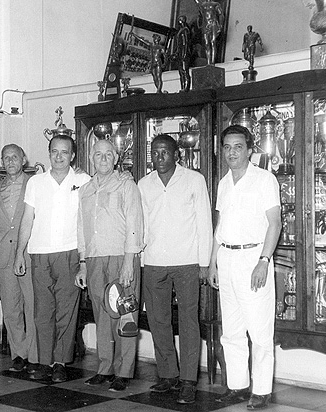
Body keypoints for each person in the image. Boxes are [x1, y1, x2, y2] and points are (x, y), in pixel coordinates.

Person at [209, 125, 281, 410]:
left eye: (238, 146)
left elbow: (274, 224)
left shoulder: (265, 180)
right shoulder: (223, 183)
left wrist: (263, 261)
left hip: (254, 259)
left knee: (260, 331)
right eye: (227, 147)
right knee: (232, 329)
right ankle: (237, 385)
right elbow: (220, 226)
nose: (232, 152)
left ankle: (262, 390)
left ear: (250, 149)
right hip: (226, 258)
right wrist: (213, 261)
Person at [138, 134, 212, 404]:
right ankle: (168, 374)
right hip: (154, 261)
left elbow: (204, 222)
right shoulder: (143, 184)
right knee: (158, 320)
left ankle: (188, 380)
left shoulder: (194, 180)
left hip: (187, 262)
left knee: (189, 321)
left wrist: (204, 262)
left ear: (176, 155)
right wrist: (141, 261)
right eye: (155, 153)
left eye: (165, 152)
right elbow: (141, 225)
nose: (159, 158)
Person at [14, 134, 90, 383]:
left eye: (64, 152)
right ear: (49, 154)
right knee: (42, 312)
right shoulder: (36, 183)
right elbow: (27, 220)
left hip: (70, 253)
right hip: (39, 254)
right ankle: (45, 361)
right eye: (54, 152)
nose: (59, 157)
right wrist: (19, 254)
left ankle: (60, 362)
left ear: (73, 155)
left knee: (66, 312)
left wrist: (84, 259)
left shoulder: (83, 181)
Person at [75, 139, 143, 392]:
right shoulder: (85, 189)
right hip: (93, 259)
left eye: (108, 155)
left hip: (121, 257)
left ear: (115, 158)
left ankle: (124, 371)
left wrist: (129, 261)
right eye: (98, 154)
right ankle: (105, 368)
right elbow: (81, 229)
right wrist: (82, 263)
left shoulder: (127, 185)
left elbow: (135, 224)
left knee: (125, 314)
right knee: (102, 316)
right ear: (91, 158)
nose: (102, 159)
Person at [0, 144, 37, 373]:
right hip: (4, 256)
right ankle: (19, 354)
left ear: (24, 159)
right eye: (6, 158)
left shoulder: (35, 183)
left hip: (28, 254)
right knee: (11, 308)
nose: (10, 162)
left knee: (33, 305)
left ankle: (35, 353)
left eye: (14, 157)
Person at [194, 0, 224, 65]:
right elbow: (200, 12)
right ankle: (208, 62)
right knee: (206, 44)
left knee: (213, 42)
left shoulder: (215, 4)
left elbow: (221, 15)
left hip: (213, 23)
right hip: (205, 24)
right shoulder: (202, 5)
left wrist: (220, 26)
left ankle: (212, 61)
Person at [174, 15, 192, 92]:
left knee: (185, 71)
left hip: (184, 53)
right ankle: (182, 86)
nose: (179, 21)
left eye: (180, 19)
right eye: (179, 19)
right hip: (180, 53)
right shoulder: (180, 30)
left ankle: (186, 87)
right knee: (181, 72)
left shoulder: (185, 30)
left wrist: (184, 54)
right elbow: (178, 44)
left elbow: (185, 43)